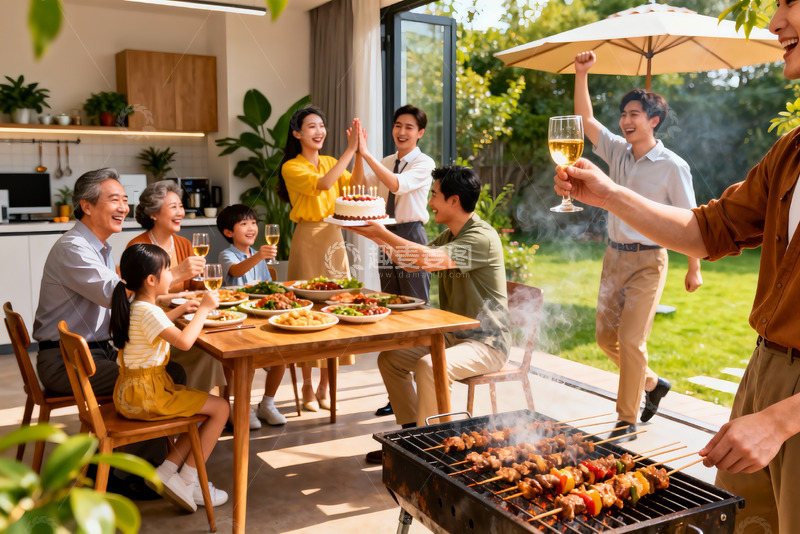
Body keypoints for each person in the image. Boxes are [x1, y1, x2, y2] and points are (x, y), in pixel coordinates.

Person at [555, 3, 800, 528]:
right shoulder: (790, 152)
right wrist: (610, 195)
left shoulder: (674, 164)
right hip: (764, 368)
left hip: (791, 408)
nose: (773, 23)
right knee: (739, 523)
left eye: (790, 2)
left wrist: (785, 417)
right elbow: (708, 228)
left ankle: (629, 413)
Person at [573, 51, 703, 441]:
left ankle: (625, 421)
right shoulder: (616, 150)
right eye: (623, 114)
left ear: (654, 121)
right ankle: (652, 383)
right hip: (614, 256)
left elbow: (691, 220)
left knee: (631, 341)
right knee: (605, 340)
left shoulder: (673, 166)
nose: (625, 120)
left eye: (634, 114)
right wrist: (581, 74)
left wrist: (694, 267)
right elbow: (585, 120)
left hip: (649, 261)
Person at [348, 165, 510, 464]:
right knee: (391, 359)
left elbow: (428, 260)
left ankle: (433, 449)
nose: (430, 202)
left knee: (429, 366)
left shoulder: (481, 237)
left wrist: (381, 232)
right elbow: (411, 262)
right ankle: (411, 438)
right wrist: (375, 236)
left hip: (487, 343)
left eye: (434, 195)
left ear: (454, 200)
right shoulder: (451, 235)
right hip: (454, 337)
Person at [33, 168, 186, 397]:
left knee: (171, 368)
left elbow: (127, 299)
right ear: (87, 206)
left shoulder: (100, 248)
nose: (124, 208)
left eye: (125, 200)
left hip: (96, 352)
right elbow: (114, 294)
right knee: (165, 375)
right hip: (67, 363)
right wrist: (174, 275)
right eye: (115, 200)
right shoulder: (73, 247)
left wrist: (173, 300)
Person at [111, 244, 229, 512]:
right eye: (167, 270)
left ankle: (168, 472)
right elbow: (185, 343)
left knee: (202, 410)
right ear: (151, 280)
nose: (171, 275)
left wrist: (180, 310)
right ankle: (188, 479)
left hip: (131, 392)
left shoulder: (136, 305)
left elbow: (154, 326)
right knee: (221, 408)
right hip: (147, 395)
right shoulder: (149, 311)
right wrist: (203, 309)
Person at [352, 104, 436, 417]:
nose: (402, 132)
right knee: (391, 309)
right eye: (398, 125)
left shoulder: (424, 163)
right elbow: (359, 186)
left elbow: (396, 185)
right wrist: (358, 155)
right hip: (385, 234)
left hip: (411, 235)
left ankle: (422, 386)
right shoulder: (388, 161)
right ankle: (397, 392)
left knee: (415, 309)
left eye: (409, 127)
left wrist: (368, 153)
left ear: (420, 133)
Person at [276, 106, 361, 412]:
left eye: (322, 125)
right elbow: (324, 184)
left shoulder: (330, 162)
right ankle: (307, 385)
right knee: (307, 309)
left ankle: (326, 385)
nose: (319, 131)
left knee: (335, 307)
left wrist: (359, 154)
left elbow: (354, 187)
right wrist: (349, 150)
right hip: (308, 238)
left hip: (334, 236)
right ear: (297, 133)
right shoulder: (292, 167)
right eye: (312, 126)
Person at [126, 180, 225, 393]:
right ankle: (196, 401)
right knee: (208, 350)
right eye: (173, 207)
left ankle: (218, 401)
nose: (180, 212)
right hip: (156, 332)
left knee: (220, 341)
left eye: (181, 206)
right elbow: (134, 297)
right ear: (153, 213)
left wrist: (203, 281)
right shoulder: (139, 248)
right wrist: (177, 273)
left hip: (182, 320)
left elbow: (194, 288)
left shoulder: (184, 244)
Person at [216, 204, 287, 427]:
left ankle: (267, 403)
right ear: (228, 232)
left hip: (259, 316)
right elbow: (236, 271)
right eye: (244, 224)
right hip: (237, 320)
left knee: (282, 355)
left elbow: (266, 287)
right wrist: (258, 257)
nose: (251, 228)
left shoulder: (257, 254)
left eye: (254, 223)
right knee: (247, 361)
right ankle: (241, 406)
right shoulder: (227, 254)